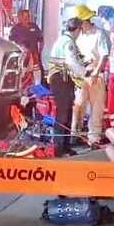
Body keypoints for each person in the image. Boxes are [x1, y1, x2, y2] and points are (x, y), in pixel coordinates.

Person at [46, 17, 87, 157]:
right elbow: (72, 62)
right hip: (61, 80)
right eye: (80, 29)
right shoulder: (68, 42)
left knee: (67, 113)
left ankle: (64, 145)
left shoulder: (63, 40)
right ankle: (59, 147)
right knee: (63, 114)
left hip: (61, 80)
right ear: (77, 29)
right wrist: (84, 72)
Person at [71, 5, 110, 147]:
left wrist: (96, 72)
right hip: (81, 76)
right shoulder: (79, 35)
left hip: (95, 76)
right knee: (78, 105)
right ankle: (75, 134)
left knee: (96, 108)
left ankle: (94, 138)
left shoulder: (99, 34)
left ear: (85, 21)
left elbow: (104, 55)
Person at [9, 9, 43, 81]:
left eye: (28, 16)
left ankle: (38, 86)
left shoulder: (34, 26)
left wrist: (40, 50)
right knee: (22, 74)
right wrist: (22, 48)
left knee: (37, 71)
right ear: (19, 18)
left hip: (34, 54)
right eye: (24, 17)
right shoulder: (15, 29)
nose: (26, 18)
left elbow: (41, 39)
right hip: (22, 56)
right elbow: (11, 42)